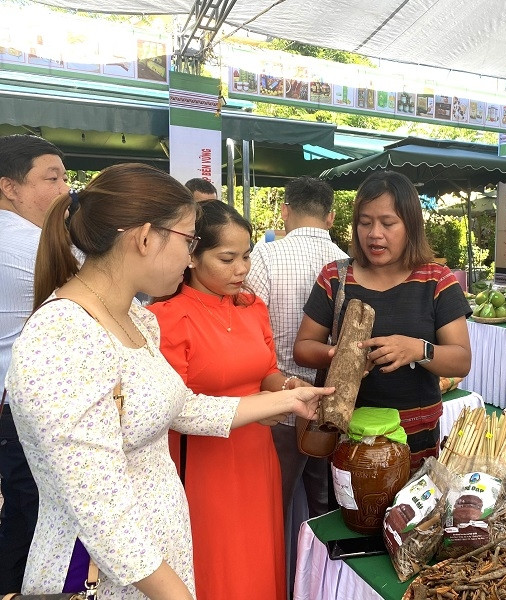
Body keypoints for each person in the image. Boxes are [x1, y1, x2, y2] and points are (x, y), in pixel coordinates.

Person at [5, 163, 331, 599]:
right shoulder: (64, 336)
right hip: (106, 575)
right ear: (145, 237)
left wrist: (290, 401)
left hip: (159, 558)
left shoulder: (136, 318)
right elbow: (100, 508)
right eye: (189, 240)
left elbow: (185, 407)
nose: (190, 255)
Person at [149, 200, 297, 600]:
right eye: (227, 258)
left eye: (247, 256)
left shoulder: (252, 307)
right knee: (219, 562)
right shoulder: (166, 317)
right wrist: (258, 408)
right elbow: (173, 408)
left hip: (256, 456)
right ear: (191, 256)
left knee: (258, 557)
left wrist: (287, 392)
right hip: (201, 462)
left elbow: (266, 370)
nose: (242, 269)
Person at [294, 170, 472, 470]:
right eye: (365, 222)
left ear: (411, 226)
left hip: (416, 441)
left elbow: (461, 360)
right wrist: (339, 356)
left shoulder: (437, 281)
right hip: (348, 438)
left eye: (388, 223)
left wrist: (418, 349)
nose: (374, 233)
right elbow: (303, 348)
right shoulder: (335, 278)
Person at [246, 176, 347, 597]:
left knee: (274, 507)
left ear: (284, 211)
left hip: (280, 405)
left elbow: (251, 328)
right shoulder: (349, 262)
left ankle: (278, 584)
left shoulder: (264, 257)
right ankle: (321, 585)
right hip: (333, 405)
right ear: (332, 216)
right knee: (328, 507)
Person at [0, 134, 68, 594]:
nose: (66, 187)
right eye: (52, 177)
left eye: (65, 176)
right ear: (9, 186)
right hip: (28, 411)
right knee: (34, 520)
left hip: (13, 406)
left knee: (22, 515)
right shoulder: (27, 244)